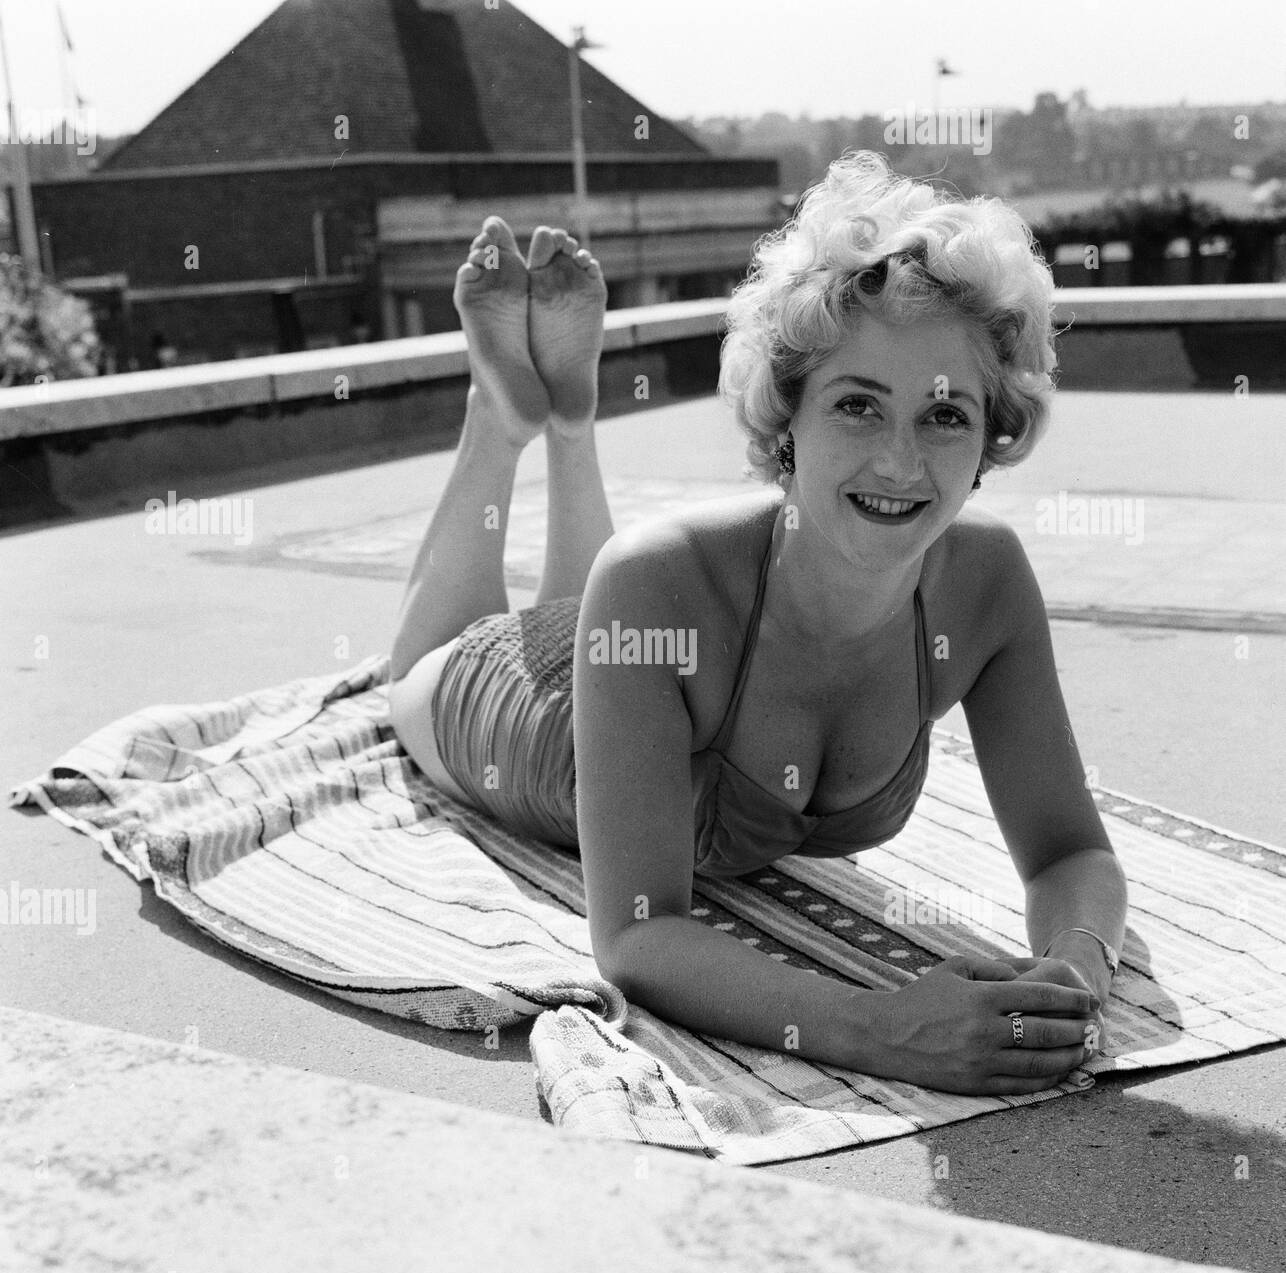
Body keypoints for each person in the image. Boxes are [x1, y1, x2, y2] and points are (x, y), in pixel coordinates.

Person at [388, 151, 1127, 1097]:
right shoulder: (661, 578)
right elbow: (638, 931)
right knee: (410, 673)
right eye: (858, 405)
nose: (900, 462)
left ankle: (570, 423)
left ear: (994, 432)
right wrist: (879, 1027)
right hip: (536, 723)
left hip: (628, 652)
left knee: (587, 611)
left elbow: (1072, 854)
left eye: (944, 416)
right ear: (788, 420)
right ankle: (502, 417)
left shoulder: (985, 585)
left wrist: (1071, 975)